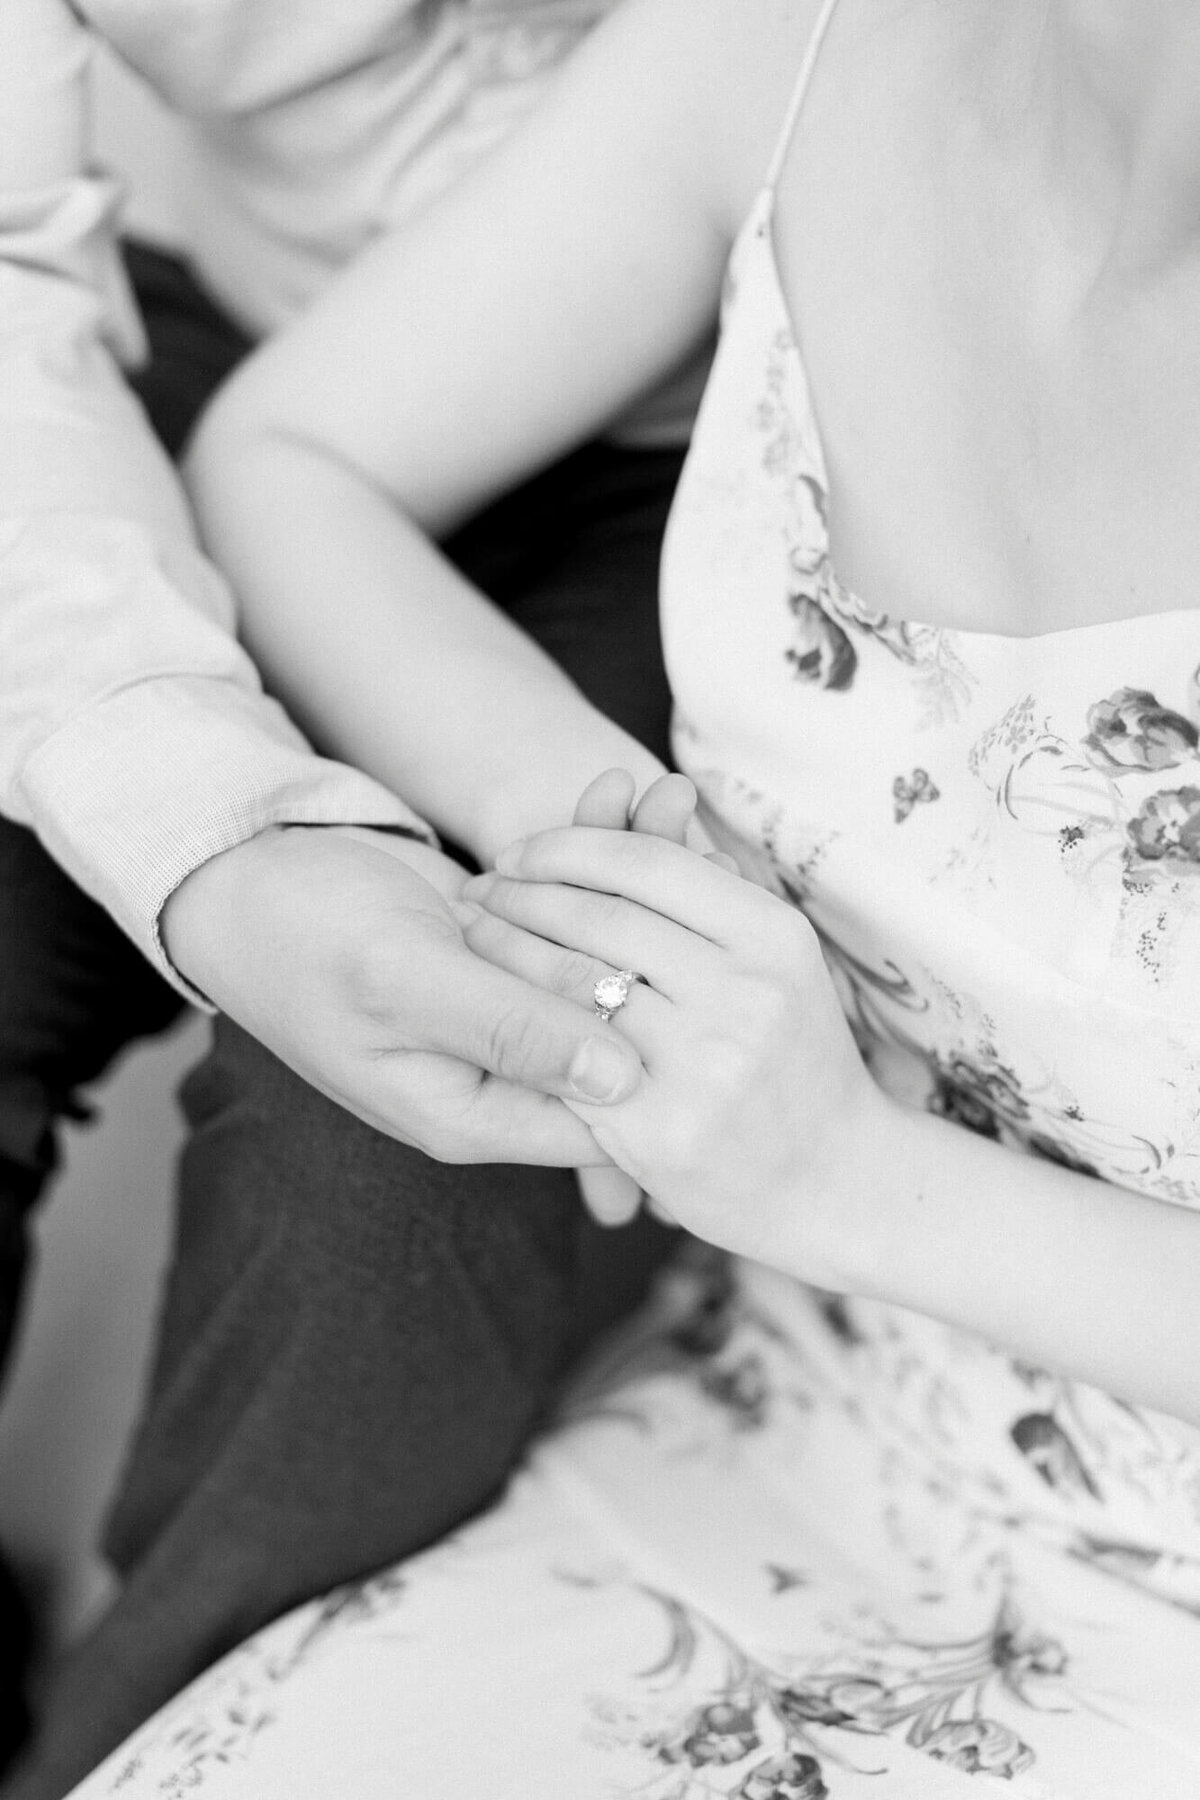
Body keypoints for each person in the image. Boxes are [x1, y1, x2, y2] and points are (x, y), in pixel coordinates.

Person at [55, 0, 1200, 1793]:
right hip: (792, 1437)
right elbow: (291, 456)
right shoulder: (803, 40)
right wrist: (606, 842)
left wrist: (839, 1173)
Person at [0, 0, 700, 1788]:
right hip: (199, 353)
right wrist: (224, 836)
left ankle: (154, 1739)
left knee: (405, 1159)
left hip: (739, 448)